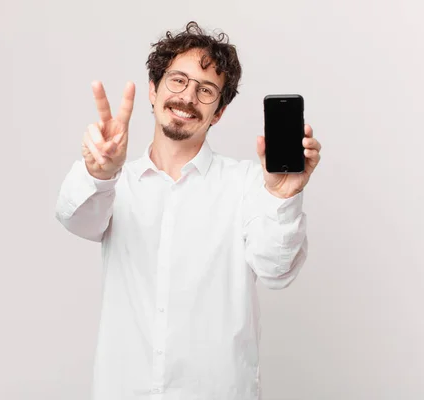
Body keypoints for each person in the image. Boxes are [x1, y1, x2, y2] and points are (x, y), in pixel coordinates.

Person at [55, 21, 322, 400]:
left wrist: (283, 196)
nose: (187, 97)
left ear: (218, 113)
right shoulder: (117, 182)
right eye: (178, 81)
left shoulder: (249, 183)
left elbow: (276, 271)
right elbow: (75, 218)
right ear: (153, 89)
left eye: (206, 89)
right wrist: (98, 173)